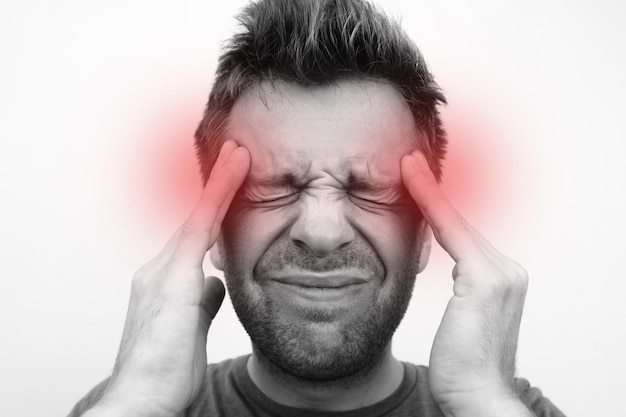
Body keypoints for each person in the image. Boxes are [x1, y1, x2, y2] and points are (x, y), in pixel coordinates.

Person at [69, 0, 565, 416]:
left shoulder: (511, 408)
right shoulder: (126, 405)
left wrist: (482, 399)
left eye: (369, 187)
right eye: (274, 186)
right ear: (216, 231)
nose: (322, 231)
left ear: (423, 236)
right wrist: (137, 400)